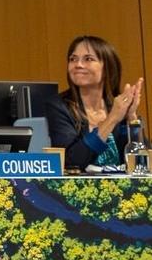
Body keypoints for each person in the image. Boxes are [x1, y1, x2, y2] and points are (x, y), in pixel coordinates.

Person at [46, 35, 144, 170]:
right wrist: (112, 119)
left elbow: (141, 165)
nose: (78, 65)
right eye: (73, 59)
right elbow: (71, 161)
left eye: (88, 59)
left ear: (107, 68)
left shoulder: (117, 105)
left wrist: (131, 118)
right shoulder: (59, 105)